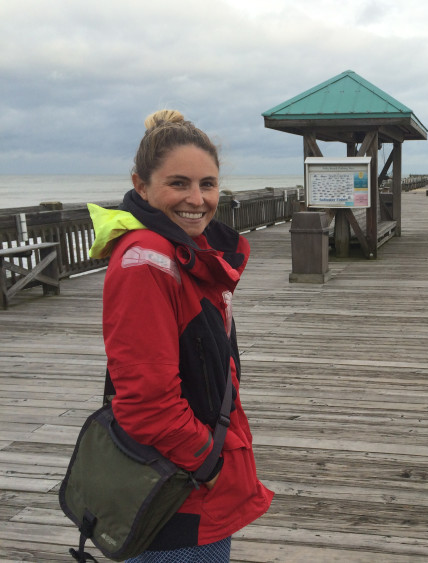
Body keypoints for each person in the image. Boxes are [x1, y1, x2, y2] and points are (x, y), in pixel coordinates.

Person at [88, 110, 273, 562]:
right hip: (176, 494)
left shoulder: (184, 251)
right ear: (141, 185)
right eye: (179, 183)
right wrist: (211, 466)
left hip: (195, 486)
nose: (197, 199)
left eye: (207, 184)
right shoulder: (145, 262)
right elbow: (146, 404)